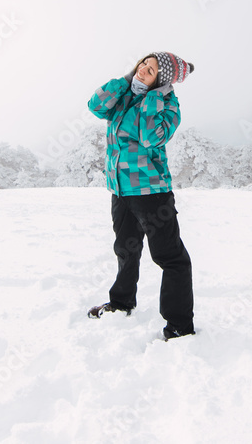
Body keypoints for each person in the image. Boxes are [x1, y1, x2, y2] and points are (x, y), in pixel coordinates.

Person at [86, 52, 196, 340]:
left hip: (152, 193)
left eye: (152, 70)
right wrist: (124, 82)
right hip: (120, 189)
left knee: (169, 257)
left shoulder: (168, 105)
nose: (144, 70)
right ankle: (121, 303)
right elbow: (96, 106)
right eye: (143, 65)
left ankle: (180, 325)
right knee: (125, 248)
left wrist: (154, 97)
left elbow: (150, 136)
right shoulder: (124, 95)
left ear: (162, 81)